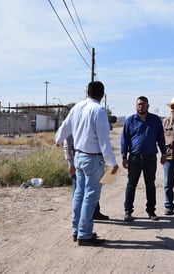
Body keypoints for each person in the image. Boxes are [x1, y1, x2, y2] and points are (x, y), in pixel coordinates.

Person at [55, 81, 119, 246]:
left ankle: (76, 230)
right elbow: (104, 140)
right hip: (93, 158)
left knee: (79, 195)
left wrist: (58, 140)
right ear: (102, 95)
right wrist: (112, 163)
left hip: (79, 157)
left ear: (87, 92)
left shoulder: (77, 107)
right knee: (90, 196)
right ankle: (84, 234)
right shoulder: (99, 110)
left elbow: (64, 127)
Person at [121, 96, 167, 221]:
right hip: (134, 158)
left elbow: (161, 139)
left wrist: (164, 153)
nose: (140, 106)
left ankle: (151, 211)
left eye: (143, 104)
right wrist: (124, 156)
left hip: (150, 158)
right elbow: (124, 140)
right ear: (136, 106)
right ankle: (128, 211)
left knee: (150, 185)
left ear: (148, 106)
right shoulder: (130, 120)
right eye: (138, 104)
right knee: (131, 185)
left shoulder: (155, 120)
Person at [63, 135, 109, 220]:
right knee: (79, 192)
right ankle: (80, 217)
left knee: (92, 189)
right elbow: (67, 146)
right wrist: (70, 163)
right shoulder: (71, 122)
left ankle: (94, 212)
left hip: (90, 161)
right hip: (77, 162)